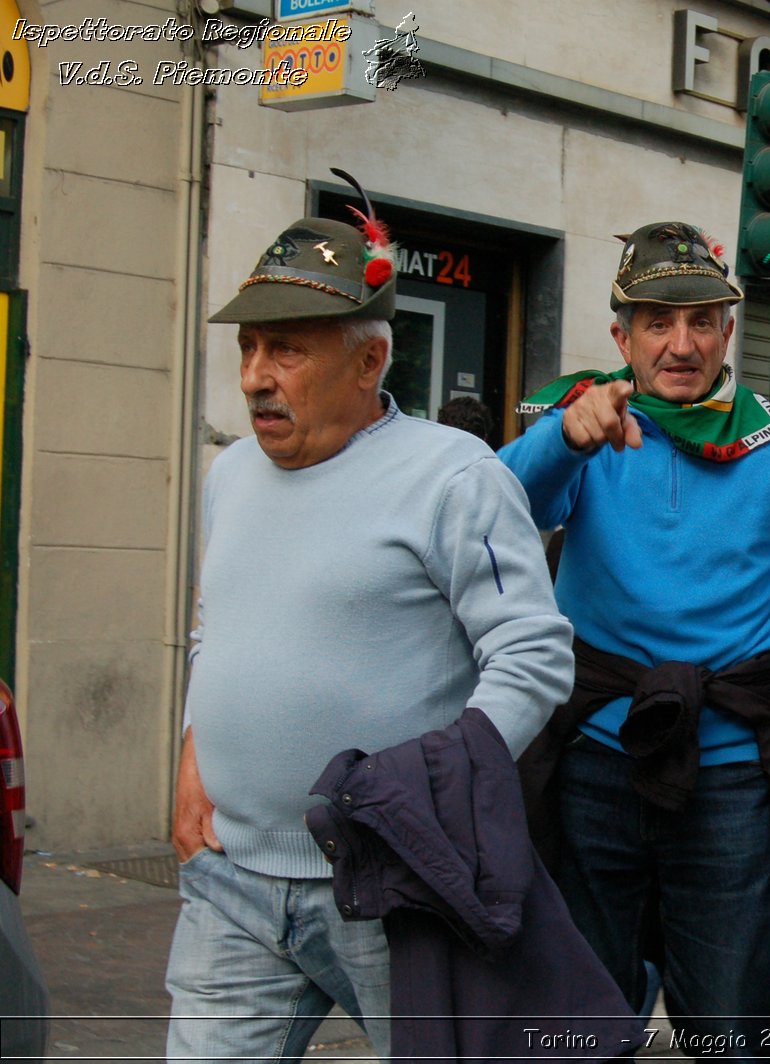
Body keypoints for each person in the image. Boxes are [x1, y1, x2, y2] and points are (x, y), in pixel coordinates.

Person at [498, 221, 770, 1054]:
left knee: (734, 1016)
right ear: (622, 336)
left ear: (730, 331)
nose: (682, 343)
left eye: (702, 320)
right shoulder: (581, 421)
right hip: (595, 756)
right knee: (584, 1006)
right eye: (658, 321)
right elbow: (500, 513)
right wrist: (563, 438)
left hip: (730, 771)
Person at [166, 203, 576, 1061]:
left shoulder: (455, 476)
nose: (253, 375)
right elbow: (217, 631)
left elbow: (533, 655)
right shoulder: (230, 474)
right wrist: (194, 752)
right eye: (247, 347)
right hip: (230, 882)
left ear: (369, 359)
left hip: (395, 892)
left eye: (287, 348)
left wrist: (436, 786)